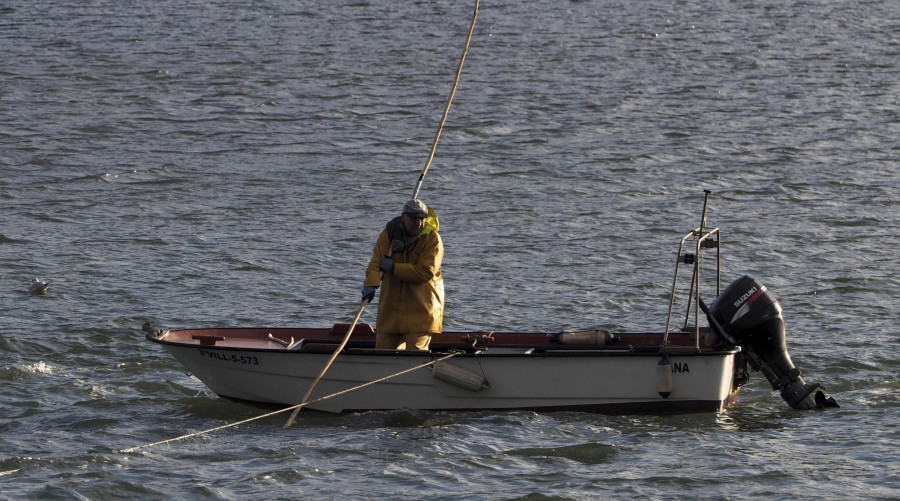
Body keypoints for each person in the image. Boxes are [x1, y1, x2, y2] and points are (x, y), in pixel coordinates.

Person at [361, 199, 444, 350]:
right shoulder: (389, 235)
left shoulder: (432, 238)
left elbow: (426, 272)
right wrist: (371, 284)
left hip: (421, 307)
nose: (419, 223)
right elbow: (376, 262)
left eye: (422, 219)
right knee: (383, 351)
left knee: (416, 354)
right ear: (404, 217)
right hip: (391, 308)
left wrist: (395, 268)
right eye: (414, 218)